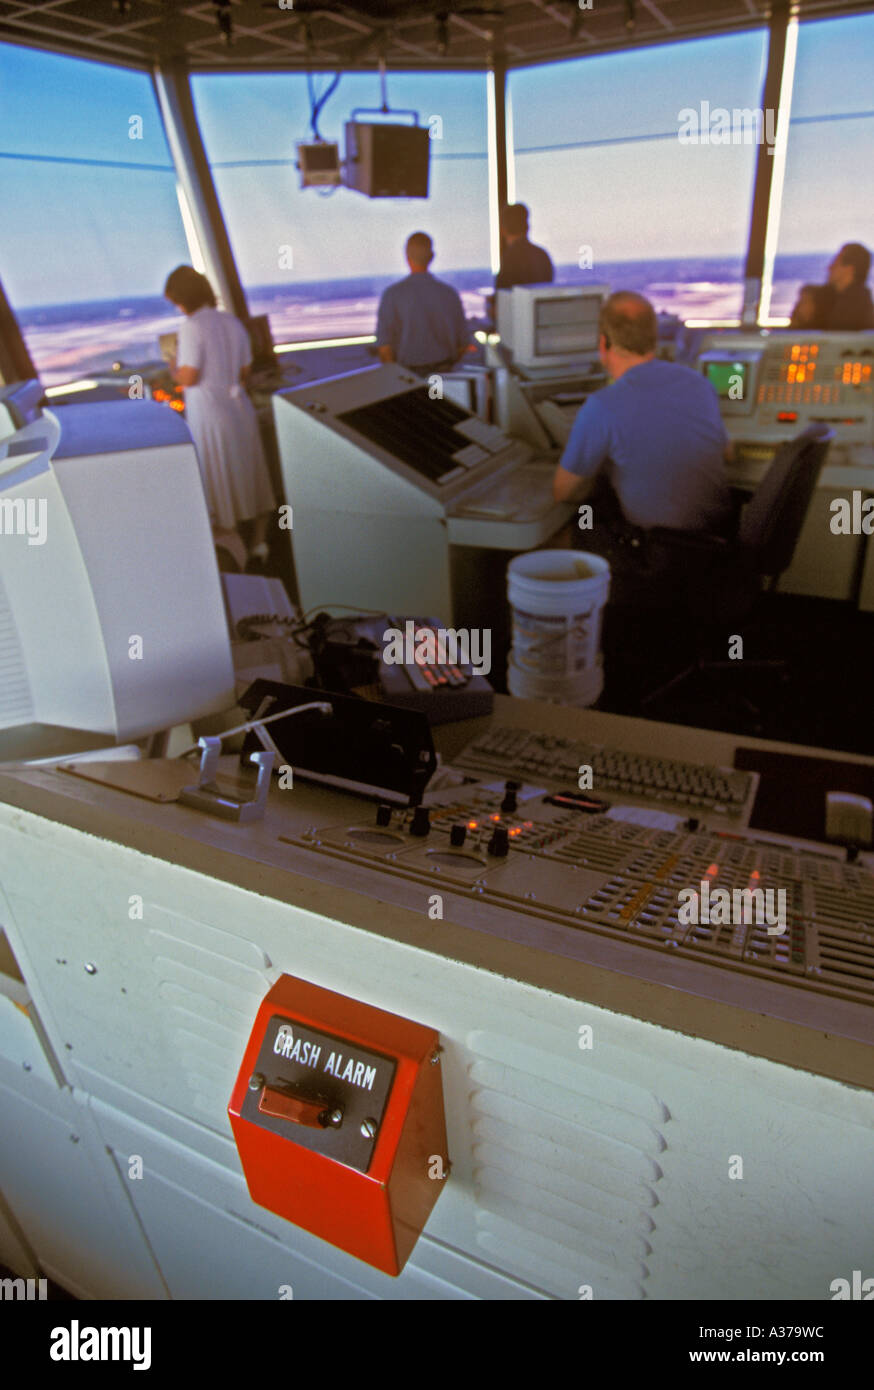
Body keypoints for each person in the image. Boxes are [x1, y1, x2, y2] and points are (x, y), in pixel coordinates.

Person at [552, 291, 733, 612]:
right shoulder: (700, 385)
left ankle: (589, 643)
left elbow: (563, 492)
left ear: (604, 343)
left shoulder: (603, 406)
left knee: (559, 537)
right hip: (716, 545)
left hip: (657, 555)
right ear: (653, 337)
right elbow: (727, 453)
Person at [164, 266, 276, 569]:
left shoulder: (191, 327)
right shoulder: (232, 322)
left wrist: (173, 364)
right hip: (239, 411)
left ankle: (232, 552)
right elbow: (244, 371)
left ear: (182, 298)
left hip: (210, 414)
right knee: (250, 475)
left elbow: (188, 377)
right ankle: (259, 544)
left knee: (218, 480)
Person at [376, 233, 470, 375]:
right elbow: (463, 345)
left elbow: (384, 347)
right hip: (444, 376)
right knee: (437, 398)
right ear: (432, 256)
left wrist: (397, 379)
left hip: (408, 378)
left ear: (407, 257)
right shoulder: (449, 294)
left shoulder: (392, 295)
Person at [787, 244, 874, 331]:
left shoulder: (854, 306)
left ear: (849, 269)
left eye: (835, 263)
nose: (829, 268)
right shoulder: (826, 298)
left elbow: (836, 339)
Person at [495, 204, 554, 290]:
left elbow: (502, 295)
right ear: (527, 227)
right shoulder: (542, 255)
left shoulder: (510, 258)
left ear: (502, 230)